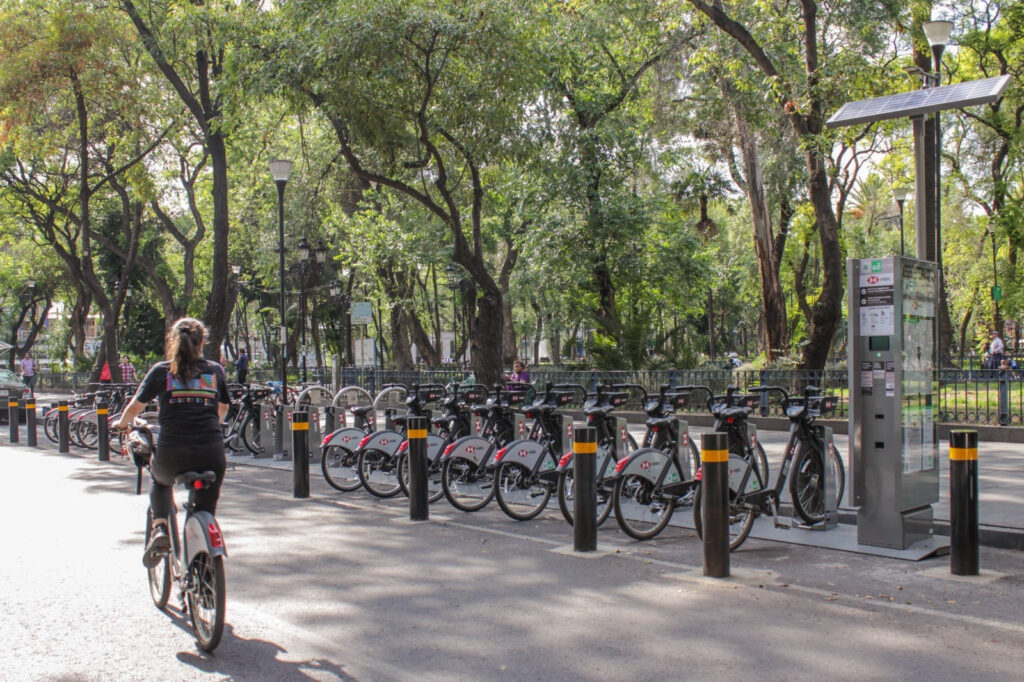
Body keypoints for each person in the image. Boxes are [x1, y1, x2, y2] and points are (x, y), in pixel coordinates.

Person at [114, 318, 230, 568]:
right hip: (212, 453)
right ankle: (203, 567)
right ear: (202, 343)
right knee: (205, 507)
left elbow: (135, 406)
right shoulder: (215, 371)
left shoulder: (161, 371)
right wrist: (212, 423)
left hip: (172, 453)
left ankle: (160, 530)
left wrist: (122, 425)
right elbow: (223, 407)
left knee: (159, 479)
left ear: (173, 341)